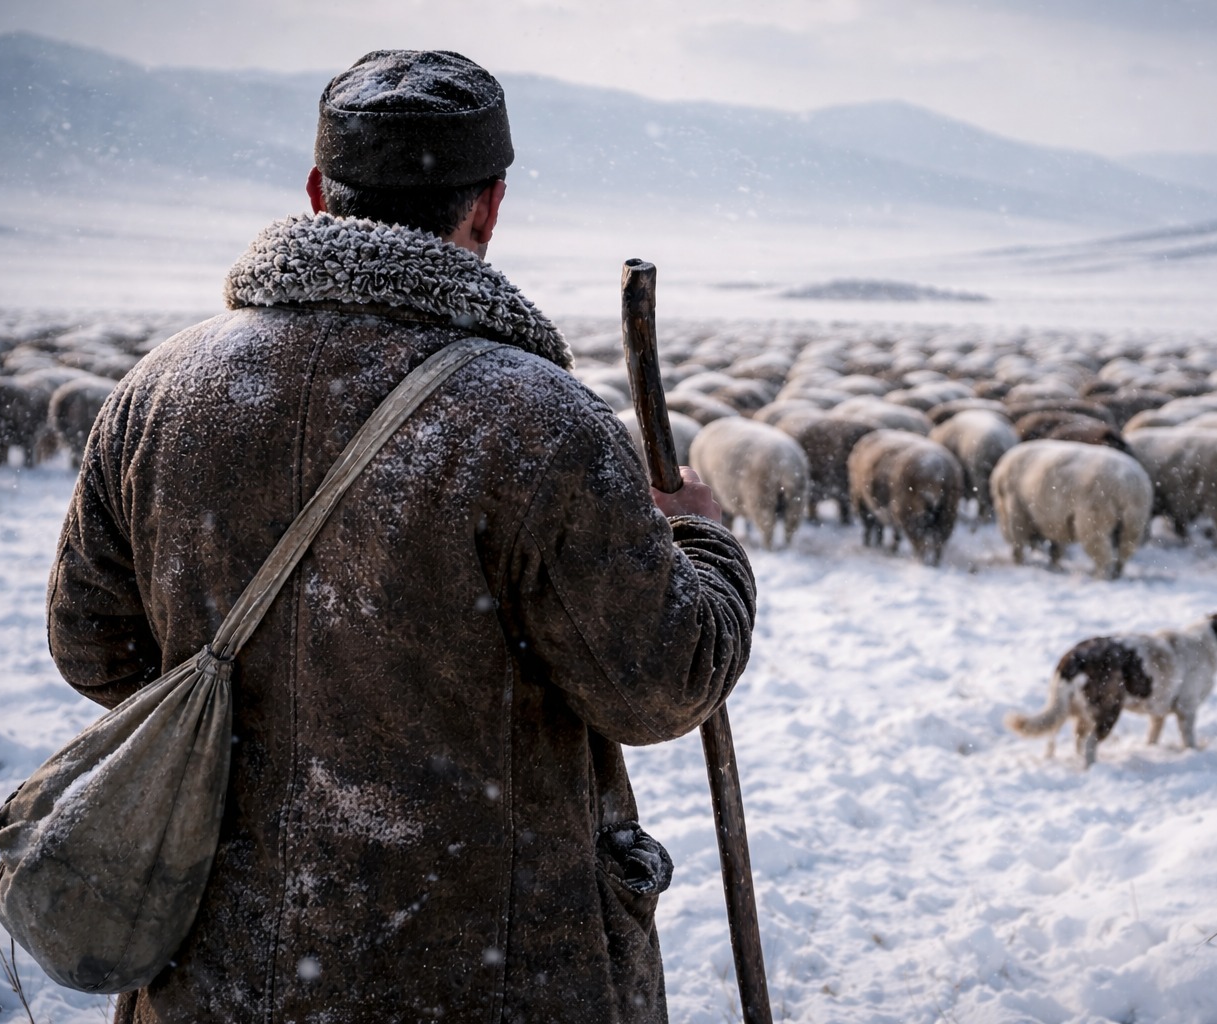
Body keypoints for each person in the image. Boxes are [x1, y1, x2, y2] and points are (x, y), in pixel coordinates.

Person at [46, 49, 756, 1023]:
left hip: (223, 957)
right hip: (486, 966)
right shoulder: (538, 423)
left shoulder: (159, 391)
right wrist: (704, 548)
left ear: (316, 191)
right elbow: (657, 682)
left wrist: (279, 736)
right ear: (490, 206)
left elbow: (94, 643)